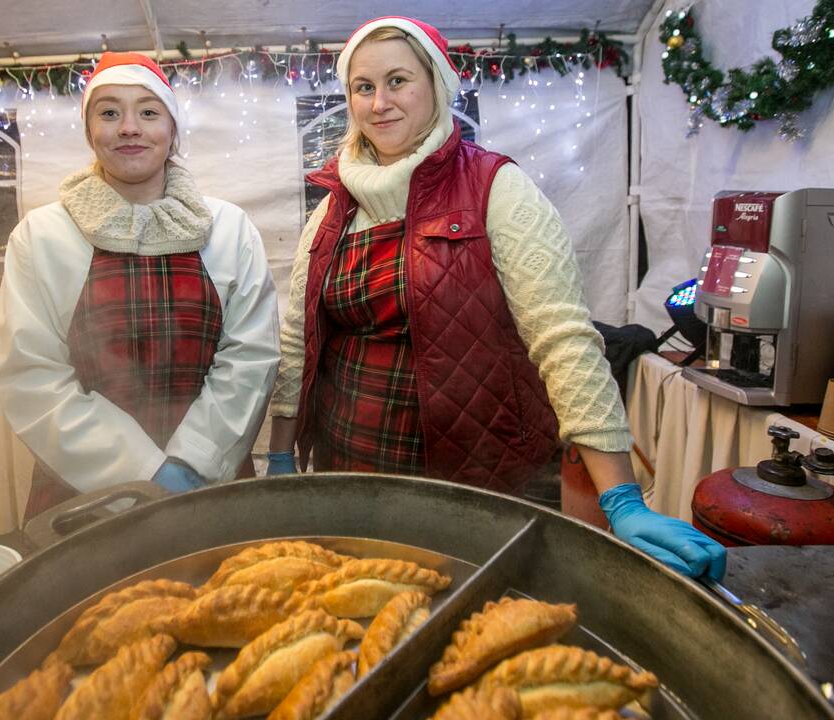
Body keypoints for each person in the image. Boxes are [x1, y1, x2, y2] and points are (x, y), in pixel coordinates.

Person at [265, 17, 725, 581]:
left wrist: (621, 498)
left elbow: (562, 339)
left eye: (398, 81)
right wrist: (281, 456)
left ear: (436, 85)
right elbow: (298, 343)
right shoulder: (332, 209)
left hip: (472, 477)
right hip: (351, 469)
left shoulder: (494, 189)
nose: (379, 102)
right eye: (364, 87)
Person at [0, 52, 279, 517]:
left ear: (173, 130)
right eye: (109, 113)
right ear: (90, 133)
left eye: (148, 112)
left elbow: (250, 358)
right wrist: (140, 474)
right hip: (89, 491)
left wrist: (192, 463)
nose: (129, 127)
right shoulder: (41, 235)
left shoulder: (229, 227)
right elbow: (32, 374)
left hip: (209, 482)